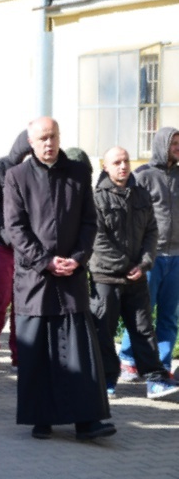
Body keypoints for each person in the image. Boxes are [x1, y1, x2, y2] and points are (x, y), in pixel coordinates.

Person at [4, 116, 114, 441]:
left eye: (52, 136)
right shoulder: (17, 177)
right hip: (35, 280)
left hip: (71, 277)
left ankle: (87, 421)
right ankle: (41, 419)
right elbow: (16, 228)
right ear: (31, 142)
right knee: (37, 352)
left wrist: (77, 260)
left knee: (79, 352)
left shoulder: (79, 173)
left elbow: (89, 223)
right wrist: (46, 262)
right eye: (42, 139)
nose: (48, 143)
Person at [90, 146, 179, 400]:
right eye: (116, 162)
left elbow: (152, 230)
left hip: (136, 275)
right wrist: (126, 265)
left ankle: (154, 380)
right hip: (107, 277)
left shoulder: (140, 195)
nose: (123, 166)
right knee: (103, 332)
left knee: (143, 329)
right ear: (105, 166)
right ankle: (106, 381)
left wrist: (144, 262)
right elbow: (98, 240)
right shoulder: (97, 198)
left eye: (126, 161)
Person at [120, 127, 179, 379]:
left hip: (176, 256)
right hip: (150, 257)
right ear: (162, 145)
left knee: (169, 315)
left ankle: (162, 366)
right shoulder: (142, 176)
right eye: (174, 143)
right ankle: (128, 358)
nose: (177, 147)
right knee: (141, 311)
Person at [0, 131, 30, 371]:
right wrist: (11, 237)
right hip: (2, 245)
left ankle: (19, 353)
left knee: (22, 302)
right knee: (0, 301)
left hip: (27, 249)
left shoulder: (34, 171)